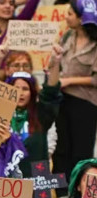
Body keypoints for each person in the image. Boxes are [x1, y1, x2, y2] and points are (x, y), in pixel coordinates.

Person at [53, 0, 97, 176]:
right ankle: (61, 194)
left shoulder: (95, 44)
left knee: (80, 151)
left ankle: (80, 195)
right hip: (62, 100)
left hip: (85, 103)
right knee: (62, 148)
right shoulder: (66, 37)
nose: (66, 17)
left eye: (70, 14)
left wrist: (69, 81)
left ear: (81, 18)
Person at [7, 57, 61, 178]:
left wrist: (55, 63)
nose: (20, 93)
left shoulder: (40, 115)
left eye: (25, 89)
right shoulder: (0, 116)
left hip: (37, 182)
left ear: (32, 92)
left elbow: (50, 94)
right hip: (7, 183)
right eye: (15, 89)